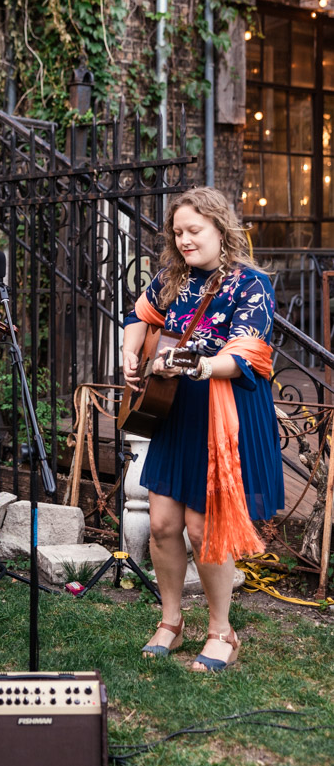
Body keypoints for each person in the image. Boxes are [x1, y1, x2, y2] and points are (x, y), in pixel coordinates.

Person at [122, 186, 283, 672]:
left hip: (221, 412)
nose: (185, 240)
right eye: (178, 233)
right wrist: (132, 352)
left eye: (195, 231)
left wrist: (202, 366)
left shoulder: (250, 284)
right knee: (164, 524)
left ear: (220, 229)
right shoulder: (173, 278)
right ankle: (171, 622)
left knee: (201, 528)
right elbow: (139, 315)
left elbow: (248, 352)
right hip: (173, 409)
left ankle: (222, 632)